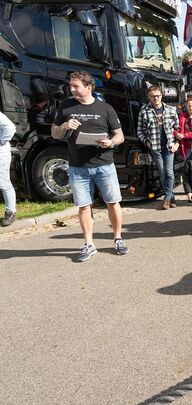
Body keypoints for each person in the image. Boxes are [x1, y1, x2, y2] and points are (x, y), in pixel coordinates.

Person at [51, 71, 128, 262]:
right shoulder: (65, 106)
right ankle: (89, 244)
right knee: (84, 206)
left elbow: (120, 135)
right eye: (71, 85)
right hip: (78, 167)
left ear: (89, 87)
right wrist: (65, 126)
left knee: (112, 202)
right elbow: (54, 133)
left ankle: (118, 238)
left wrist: (111, 142)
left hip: (104, 165)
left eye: (76, 86)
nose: (72, 89)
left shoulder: (105, 108)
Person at [136, 85, 180, 210]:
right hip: (155, 147)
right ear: (148, 97)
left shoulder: (171, 109)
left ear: (162, 95)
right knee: (161, 172)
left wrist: (177, 143)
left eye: (158, 96)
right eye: (153, 96)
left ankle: (166, 199)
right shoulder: (144, 110)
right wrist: (147, 142)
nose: (156, 98)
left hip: (169, 146)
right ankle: (171, 196)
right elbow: (140, 131)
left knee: (169, 172)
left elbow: (178, 130)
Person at [0, 111, 17, 227]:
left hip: (1, 153)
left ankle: (10, 212)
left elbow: (10, 127)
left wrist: (2, 140)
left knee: (3, 183)